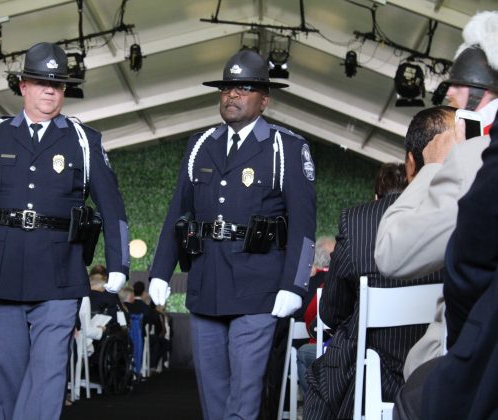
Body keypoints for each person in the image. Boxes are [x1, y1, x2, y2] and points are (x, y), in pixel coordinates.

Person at [0, 42, 130, 420]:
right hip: (0, 272)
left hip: (59, 273)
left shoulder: (84, 141)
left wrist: (119, 264)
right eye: (41, 82)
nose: (49, 90)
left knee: (47, 374)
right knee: (6, 377)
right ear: (23, 86)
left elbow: (113, 209)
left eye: (57, 84)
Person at [149, 49, 316, 420]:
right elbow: (179, 213)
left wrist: (294, 285)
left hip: (259, 285)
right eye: (227, 89)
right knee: (213, 394)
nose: (232, 95)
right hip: (207, 280)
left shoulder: (285, 148)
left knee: (244, 394)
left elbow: (304, 227)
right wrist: (160, 270)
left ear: (264, 100)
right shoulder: (200, 145)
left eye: (244, 88)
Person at [374, 11, 498, 379]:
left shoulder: (475, 158)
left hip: (472, 362)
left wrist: (435, 165)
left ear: (476, 93)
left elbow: (392, 252)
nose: (450, 96)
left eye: (454, 86)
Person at [304, 163, 443, 420]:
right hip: (430, 371)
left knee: (320, 376)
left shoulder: (357, 221)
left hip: (369, 376)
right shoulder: (440, 219)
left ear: (376, 195)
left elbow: (331, 310)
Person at [296, 236, 335, 395]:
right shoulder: (348, 279)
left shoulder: (310, 282)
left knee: (304, 353)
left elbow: (309, 319)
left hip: (324, 345)